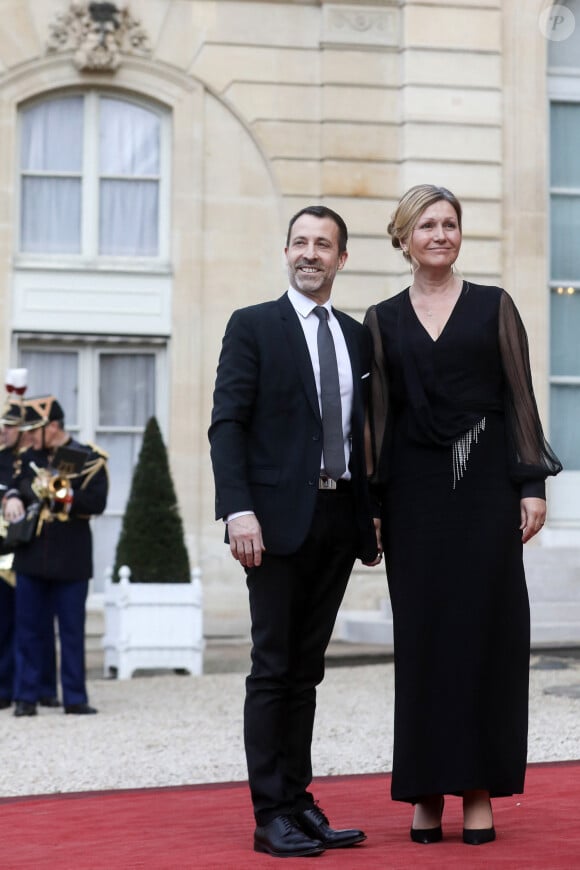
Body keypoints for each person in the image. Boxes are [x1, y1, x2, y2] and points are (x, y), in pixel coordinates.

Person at [364, 184, 562, 846]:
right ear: (404, 238)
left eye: (450, 224)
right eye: (428, 225)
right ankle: (424, 791)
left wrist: (531, 485)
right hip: (413, 496)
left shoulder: (494, 306)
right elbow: (377, 419)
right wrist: (374, 503)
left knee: (485, 638)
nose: (441, 234)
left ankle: (477, 789)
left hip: (484, 492)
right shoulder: (382, 319)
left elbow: (520, 397)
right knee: (423, 641)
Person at [209, 205, 380, 858]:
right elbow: (228, 423)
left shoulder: (357, 335)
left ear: (342, 258)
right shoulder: (253, 326)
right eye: (300, 242)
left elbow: (362, 433)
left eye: (323, 244)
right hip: (272, 524)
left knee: (307, 671)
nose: (310, 253)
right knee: (273, 667)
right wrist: (237, 509)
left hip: (338, 519)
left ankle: (300, 801)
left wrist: (373, 514)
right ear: (287, 252)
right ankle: (269, 813)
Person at [3, 395, 108, 716]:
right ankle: (27, 697)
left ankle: (74, 697)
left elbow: (96, 502)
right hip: (32, 555)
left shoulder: (85, 457)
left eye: (36, 429)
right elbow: (15, 482)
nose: (30, 435)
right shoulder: (28, 457)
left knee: (72, 631)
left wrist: (65, 494)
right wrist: (10, 496)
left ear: (53, 426)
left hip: (71, 557)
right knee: (29, 630)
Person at [0, 391, 58, 710]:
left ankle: (44, 687)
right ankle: (6, 687)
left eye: (11, 426)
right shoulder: (2, 458)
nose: (4, 431)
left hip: (34, 549)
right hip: (3, 551)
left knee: (40, 624)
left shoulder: (39, 459)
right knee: (6, 624)